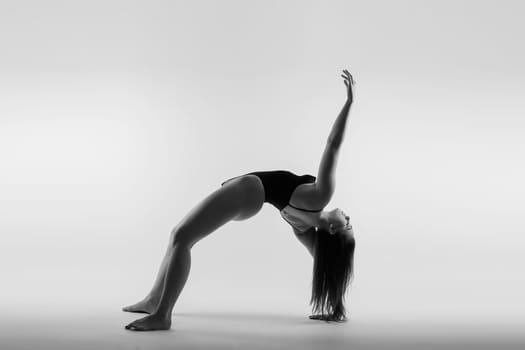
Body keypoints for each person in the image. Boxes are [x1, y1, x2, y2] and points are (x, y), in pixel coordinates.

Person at [123, 69, 356, 331]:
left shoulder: (320, 197)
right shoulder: (304, 229)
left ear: (333, 229)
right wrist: (336, 306)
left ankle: (162, 315)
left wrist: (348, 104)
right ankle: (155, 300)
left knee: (183, 237)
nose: (349, 218)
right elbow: (327, 264)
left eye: (347, 224)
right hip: (249, 198)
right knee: (179, 235)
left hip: (250, 190)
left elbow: (333, 144)